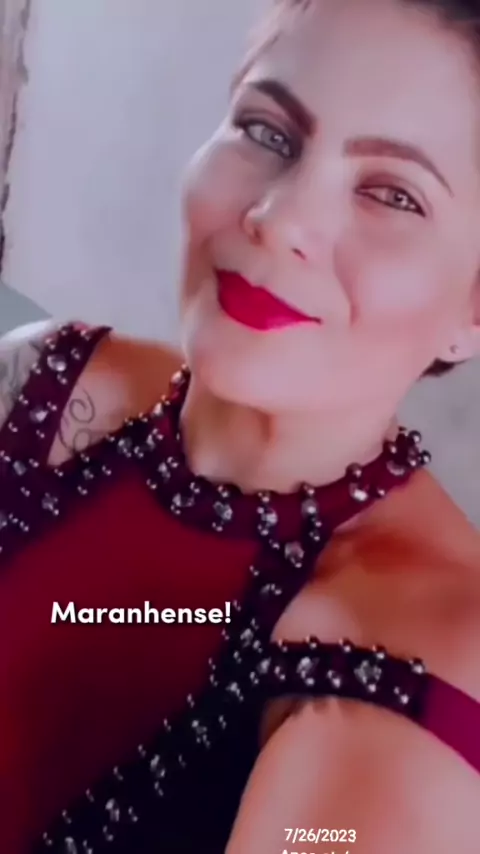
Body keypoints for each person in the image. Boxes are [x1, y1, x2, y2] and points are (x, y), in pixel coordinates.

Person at [1, 0, 480, 850]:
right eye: (268, 131)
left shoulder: (424, 660)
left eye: (392, 194)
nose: (278, 219)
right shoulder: (47, 377)